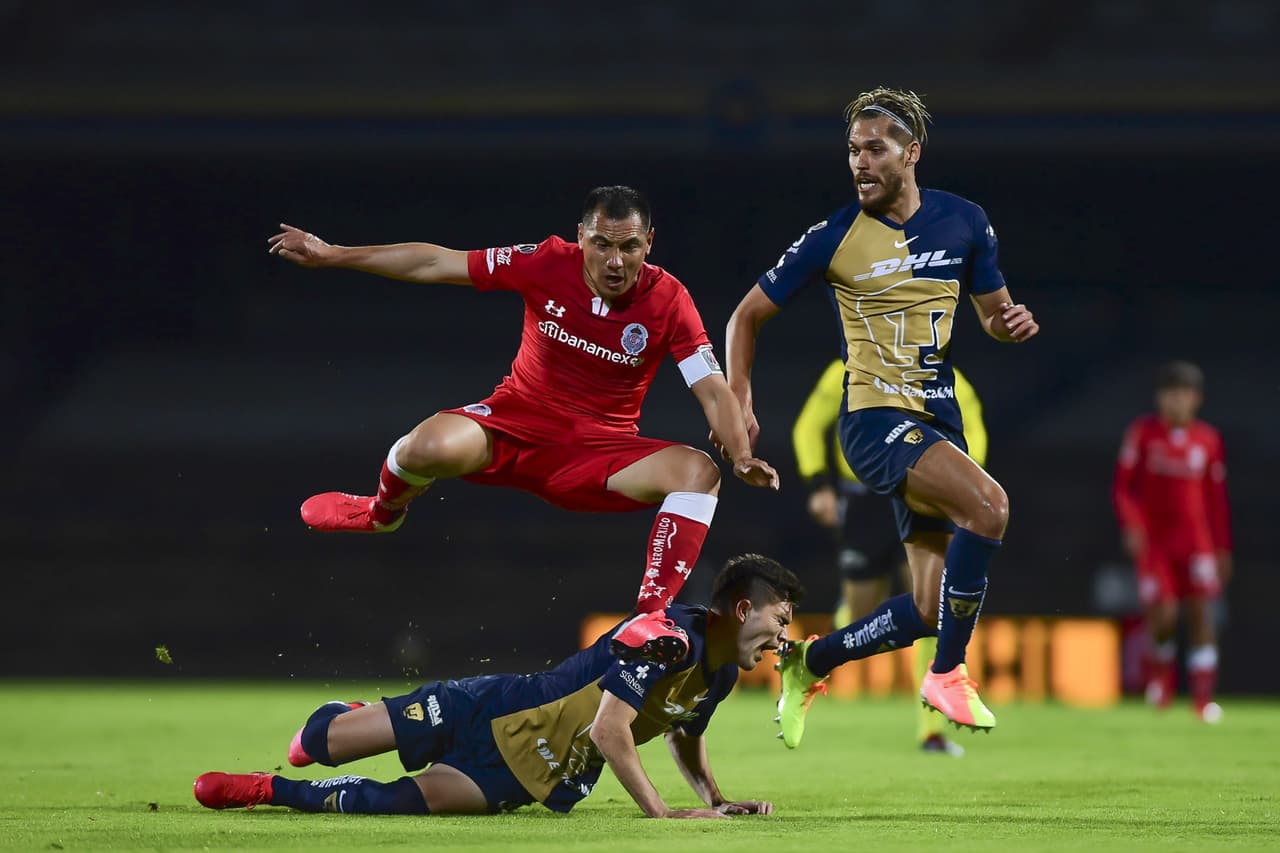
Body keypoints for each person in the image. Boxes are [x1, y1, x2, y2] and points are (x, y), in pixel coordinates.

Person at [267, 186, 778, 663]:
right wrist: (334, 254)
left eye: (628, 248)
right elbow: (435, 261)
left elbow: (710, 385)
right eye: (601, 244)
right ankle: (383, 511)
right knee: (421, 447)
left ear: (649, 242)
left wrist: (740, 454)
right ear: (581, 238)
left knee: (700, 473)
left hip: (599, 452)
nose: (615, 262)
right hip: (515, 423)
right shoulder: (545, 261)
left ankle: (648, 617)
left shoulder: (669, 300)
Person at [719, 87, 1039, 745]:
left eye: (875, 149)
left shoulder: (965, 222)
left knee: (926, 607)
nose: (860, 162)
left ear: (911, 152)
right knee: (991, 507)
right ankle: (947, 674)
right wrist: (738, 401)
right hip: (873, 421)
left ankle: (813, 660)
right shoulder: (835, 236)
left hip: (935, 422)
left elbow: (992, 317)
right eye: (852, 151)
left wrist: (1011, 325)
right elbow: (744, 315)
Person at [193, 554, 802, 818]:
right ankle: (338, 717)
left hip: (520, 777)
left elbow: (683, 733)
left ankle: (266, 791)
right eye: (780, 619)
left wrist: (716, 797)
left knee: (390, 804)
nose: (782, 636)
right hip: (488, 707)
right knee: (317, 741)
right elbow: (609, 729)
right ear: (743, 607)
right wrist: (664, 812)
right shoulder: (670, 638)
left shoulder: (719, 673)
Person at [793, 359, 987, 755]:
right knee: (863, 611)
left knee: (932, 603)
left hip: (922, 495)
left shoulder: (948, 378)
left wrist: (962, 489)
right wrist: (818, 484)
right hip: (864, 502)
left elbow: (975, 434)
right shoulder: (847, 370)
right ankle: (817, 652)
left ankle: (930, 728)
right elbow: (809, 426)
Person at [1112, 361, 1232, 723]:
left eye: (1183, 394)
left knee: (1201, 615)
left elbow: (1216, 499)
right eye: (1169, 393)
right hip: (1156, 544)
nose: (1176, 401)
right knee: (1163, 614)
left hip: (1196, 543)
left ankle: (1202, 700)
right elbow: (1123, 488)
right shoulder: (1144, 434)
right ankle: (1161, 679)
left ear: (1196, 399)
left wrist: (1222, 548)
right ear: (1159, 397)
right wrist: (1132, 526)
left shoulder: (1209, 440)